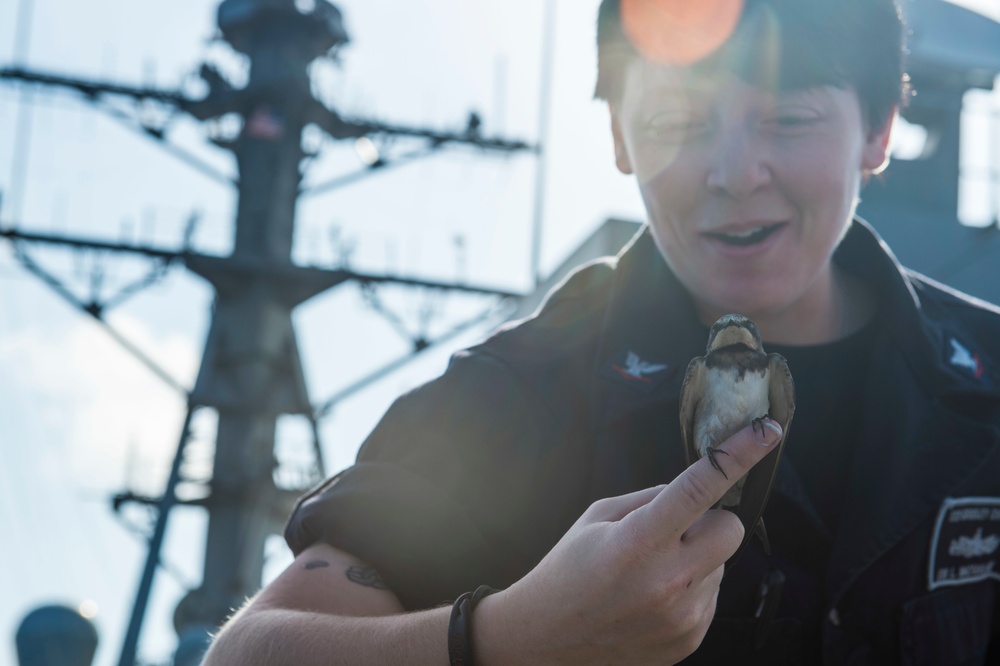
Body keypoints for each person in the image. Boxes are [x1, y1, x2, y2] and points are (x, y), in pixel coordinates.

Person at [204, 0, 1000, 663]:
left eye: (789, 118)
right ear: (619, 137)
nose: (733, 172)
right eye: (676, 119)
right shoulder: (511, 391)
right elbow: (248, 654)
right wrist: (510, 638)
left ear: (878, 132)